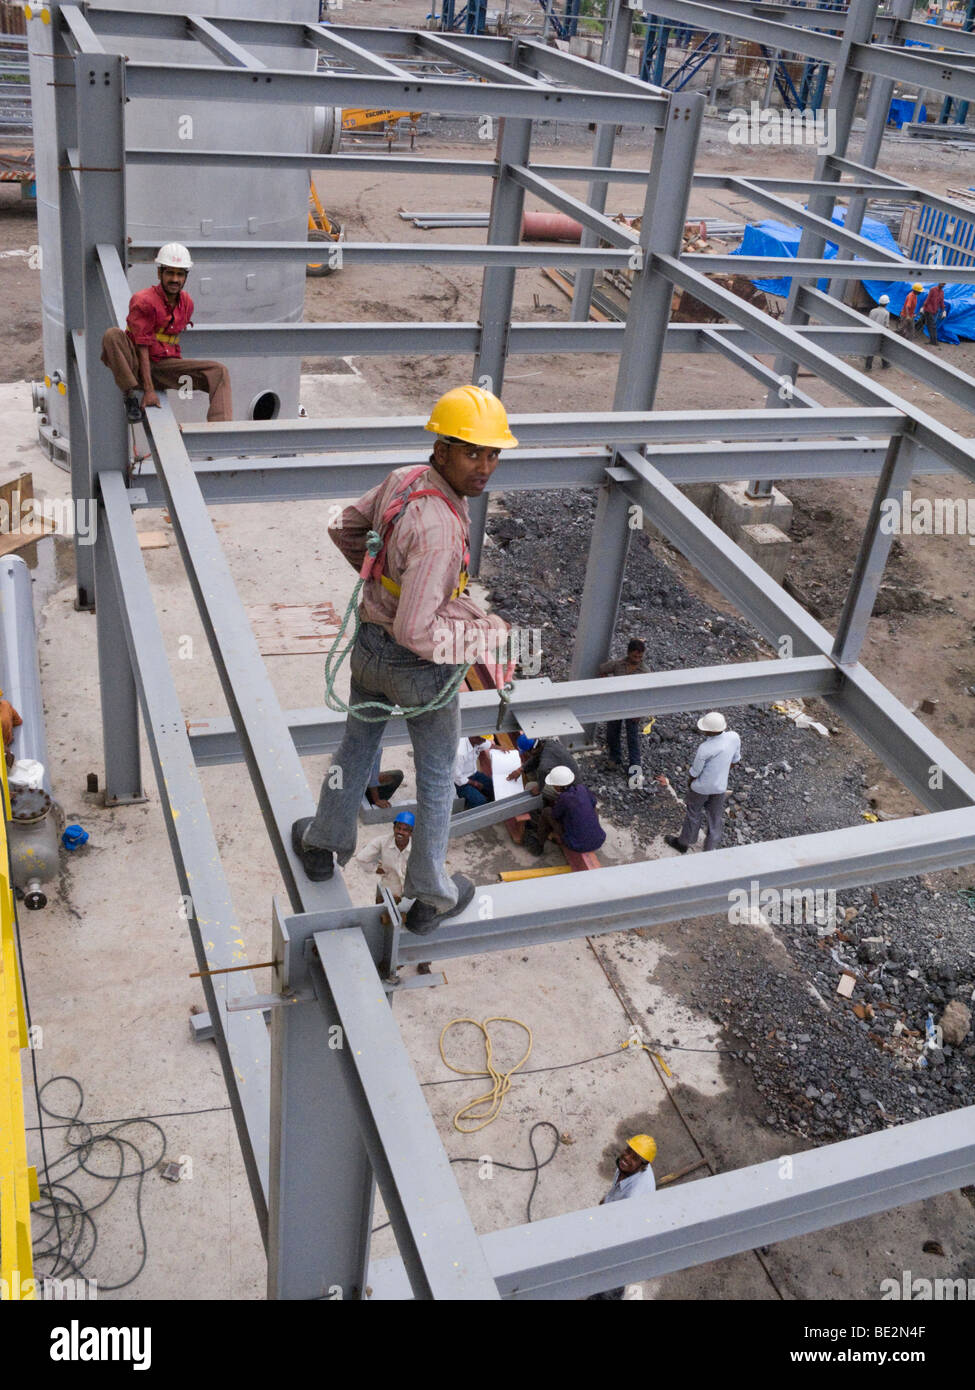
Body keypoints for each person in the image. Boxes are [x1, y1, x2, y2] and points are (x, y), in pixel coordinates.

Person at [291, 385, 516, 936]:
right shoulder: (439, 530)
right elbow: (419, 632)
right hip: (420, 670)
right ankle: (430, 895)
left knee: (357, 745)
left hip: (371, 651)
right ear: (442, 450)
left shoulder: (404, 479)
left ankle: (324, 844)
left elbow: (344, 527)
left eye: (493, 454)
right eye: (472, 452)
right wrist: (483, 634)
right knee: (438, 777)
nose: (485, 466)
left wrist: (383, 584)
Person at [100, 243, 233, 424]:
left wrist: (178, 374)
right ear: (159, 274)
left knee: (218, 372)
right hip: (137, 364)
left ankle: (221, 432)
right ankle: (131, 394)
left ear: (186, 277)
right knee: (112, 335)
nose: (175, 279)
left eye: (180, 274)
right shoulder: (144, 301)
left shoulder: (187, 303)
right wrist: (148, 390)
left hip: (163, 367)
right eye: (170, 273)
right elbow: (143, 346)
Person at [586, 1135, 657, 1301]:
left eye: (634, 1158)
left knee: (613, 1273)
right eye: (628, 1151)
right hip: (616, 1221)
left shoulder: (636, 1194)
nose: (627, 1157)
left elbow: (624, 1227)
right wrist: (607, 1200)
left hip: (626, 1235)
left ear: (643, 1165)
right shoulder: (626, 1167)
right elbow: (617, 1189)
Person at [665, 710, 740, 854]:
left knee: (693, 814)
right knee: (715, 817)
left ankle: (684, 843)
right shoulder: (734, 737)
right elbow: (735, 760)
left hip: (701, 788)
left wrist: (690, 783)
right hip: (719, 787)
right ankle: (709, 849)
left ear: (711, 732)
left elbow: (696, 771)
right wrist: (720, 773)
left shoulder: (705, 748)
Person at [533, 766, 606, 856]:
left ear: (558, 787)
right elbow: (593, 803)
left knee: (547, 811)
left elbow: (555, 815)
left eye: (554, 785)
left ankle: (539, 844)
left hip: (576, 845)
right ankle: (592, 830)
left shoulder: (564, 798)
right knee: (591, 807)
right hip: (599, 839)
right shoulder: (582, 788)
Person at [599, 638, 647, 773]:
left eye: (640, 656)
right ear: (628, 653)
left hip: (633, 708)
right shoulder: (619, 665)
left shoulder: (644, 672)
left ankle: (635, 767)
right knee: (612, 733)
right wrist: (605, 685)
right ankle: (615, 758)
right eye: (634, 656)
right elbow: (602, 669)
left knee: (632, 738)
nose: (637, 659)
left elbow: (647, 695)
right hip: (616, 705)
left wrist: (639, 712)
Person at [355, 810, 414, 904]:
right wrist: (375, 869)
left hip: (411, 894)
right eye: (398, 828)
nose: (400, 832)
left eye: (405, 830)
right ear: (394, 828)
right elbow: (361, 858)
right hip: (389, 890)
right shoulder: (383, 841)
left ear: (411, 833)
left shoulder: (417, 848)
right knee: (383, 914)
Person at [453, 735, 494, 809]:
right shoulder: (460, 753)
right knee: (479, 801)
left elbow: (488, 745)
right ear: (475, 737)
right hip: (460, 782)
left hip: (474, 774)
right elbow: (457, 778)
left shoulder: (478, 741)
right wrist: (475, 783)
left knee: (493, 787)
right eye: (483, 740)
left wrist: (499, 747)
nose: (484, 741)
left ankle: (489, 804)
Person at [863, 294, 891, 371]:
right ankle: (885, 364)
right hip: (880, 333)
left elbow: (868, 321)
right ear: (886, 304)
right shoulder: (886, 313)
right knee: (883, 348)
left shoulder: (873, 311)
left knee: (871, 348)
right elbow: (886, 325)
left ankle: (868, 367)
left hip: (872, 331)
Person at [920, 282, 947, 348]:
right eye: (942, 284)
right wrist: (923, 306)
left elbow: (941, 302)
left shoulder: (942, 292)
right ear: (939, 283)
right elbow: (928, 299)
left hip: (934, 311)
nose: (942, 285)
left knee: (930, 325)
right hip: (929, 310)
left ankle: (933, 340)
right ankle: (934, 341)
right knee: (932, 326)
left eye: (944, 284)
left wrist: (943, 310)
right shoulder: (933, 289)